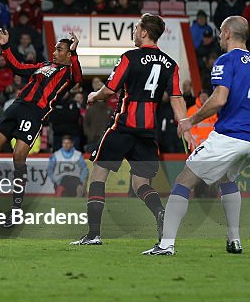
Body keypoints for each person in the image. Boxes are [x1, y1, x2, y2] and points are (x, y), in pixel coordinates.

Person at [144, 17, 250, 256]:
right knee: (227, 179)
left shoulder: (226, 60)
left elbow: (220, 99)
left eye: (221, 33)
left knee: (183, 181)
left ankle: (166, 245)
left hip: (232, 135)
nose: (220, 37)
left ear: (228, 34)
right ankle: (234, 240)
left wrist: (191, 120)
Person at [74, 14, 194, 245]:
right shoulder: (171, 64)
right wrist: (185, 125)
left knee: (98, 174)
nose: (134, 32)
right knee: (141, 184)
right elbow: (176, 98)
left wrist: (93, 96)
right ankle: (160, 212)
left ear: (144, 33)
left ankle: (93, 235)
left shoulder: (129, 57)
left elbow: (109, 90)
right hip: (148, 132)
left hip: (122, 127)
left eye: (136, 28)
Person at [0, 28, 82, 228]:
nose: (54, 52)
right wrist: (6, 47)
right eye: (55, 49)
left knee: (18, 157)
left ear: (68, 54)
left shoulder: (68, 73)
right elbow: (18, 67)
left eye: (59, 50)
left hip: (34, 113)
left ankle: (15, 210)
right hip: (17, 106)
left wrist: (75, 53)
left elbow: (78, 77)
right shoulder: (43, 65)